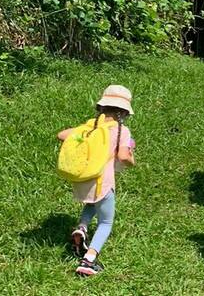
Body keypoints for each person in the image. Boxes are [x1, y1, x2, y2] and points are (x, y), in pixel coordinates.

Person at [57, 85, 136, 276]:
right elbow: (124, 156)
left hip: (84, 180)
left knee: (92, 203)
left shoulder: (91, 126)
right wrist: (132, 161)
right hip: (103, 181)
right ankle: (89, 260)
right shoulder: (121, 130)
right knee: (106, 222)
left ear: (101, 107)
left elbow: (62, 135)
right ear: (124, 111)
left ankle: (82, 229)